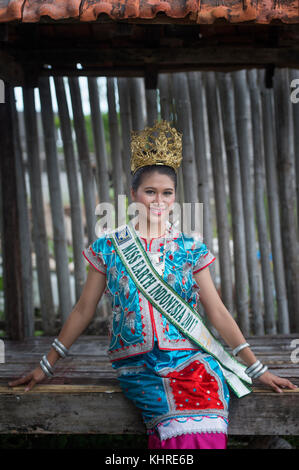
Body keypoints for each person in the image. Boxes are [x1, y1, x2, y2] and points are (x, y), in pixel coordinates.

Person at [8, 120, 296, 450]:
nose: (159, 201)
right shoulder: (110, 247)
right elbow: (83, 309)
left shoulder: (190, 246)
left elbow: (216, 311)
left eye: (167, 193)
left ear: (175, 197)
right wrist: (46, 365)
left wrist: (258, 369)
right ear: (133, 195)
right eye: (150, 192)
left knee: (207, 416)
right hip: (138, 364)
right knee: (174, 426)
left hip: (191, 361)